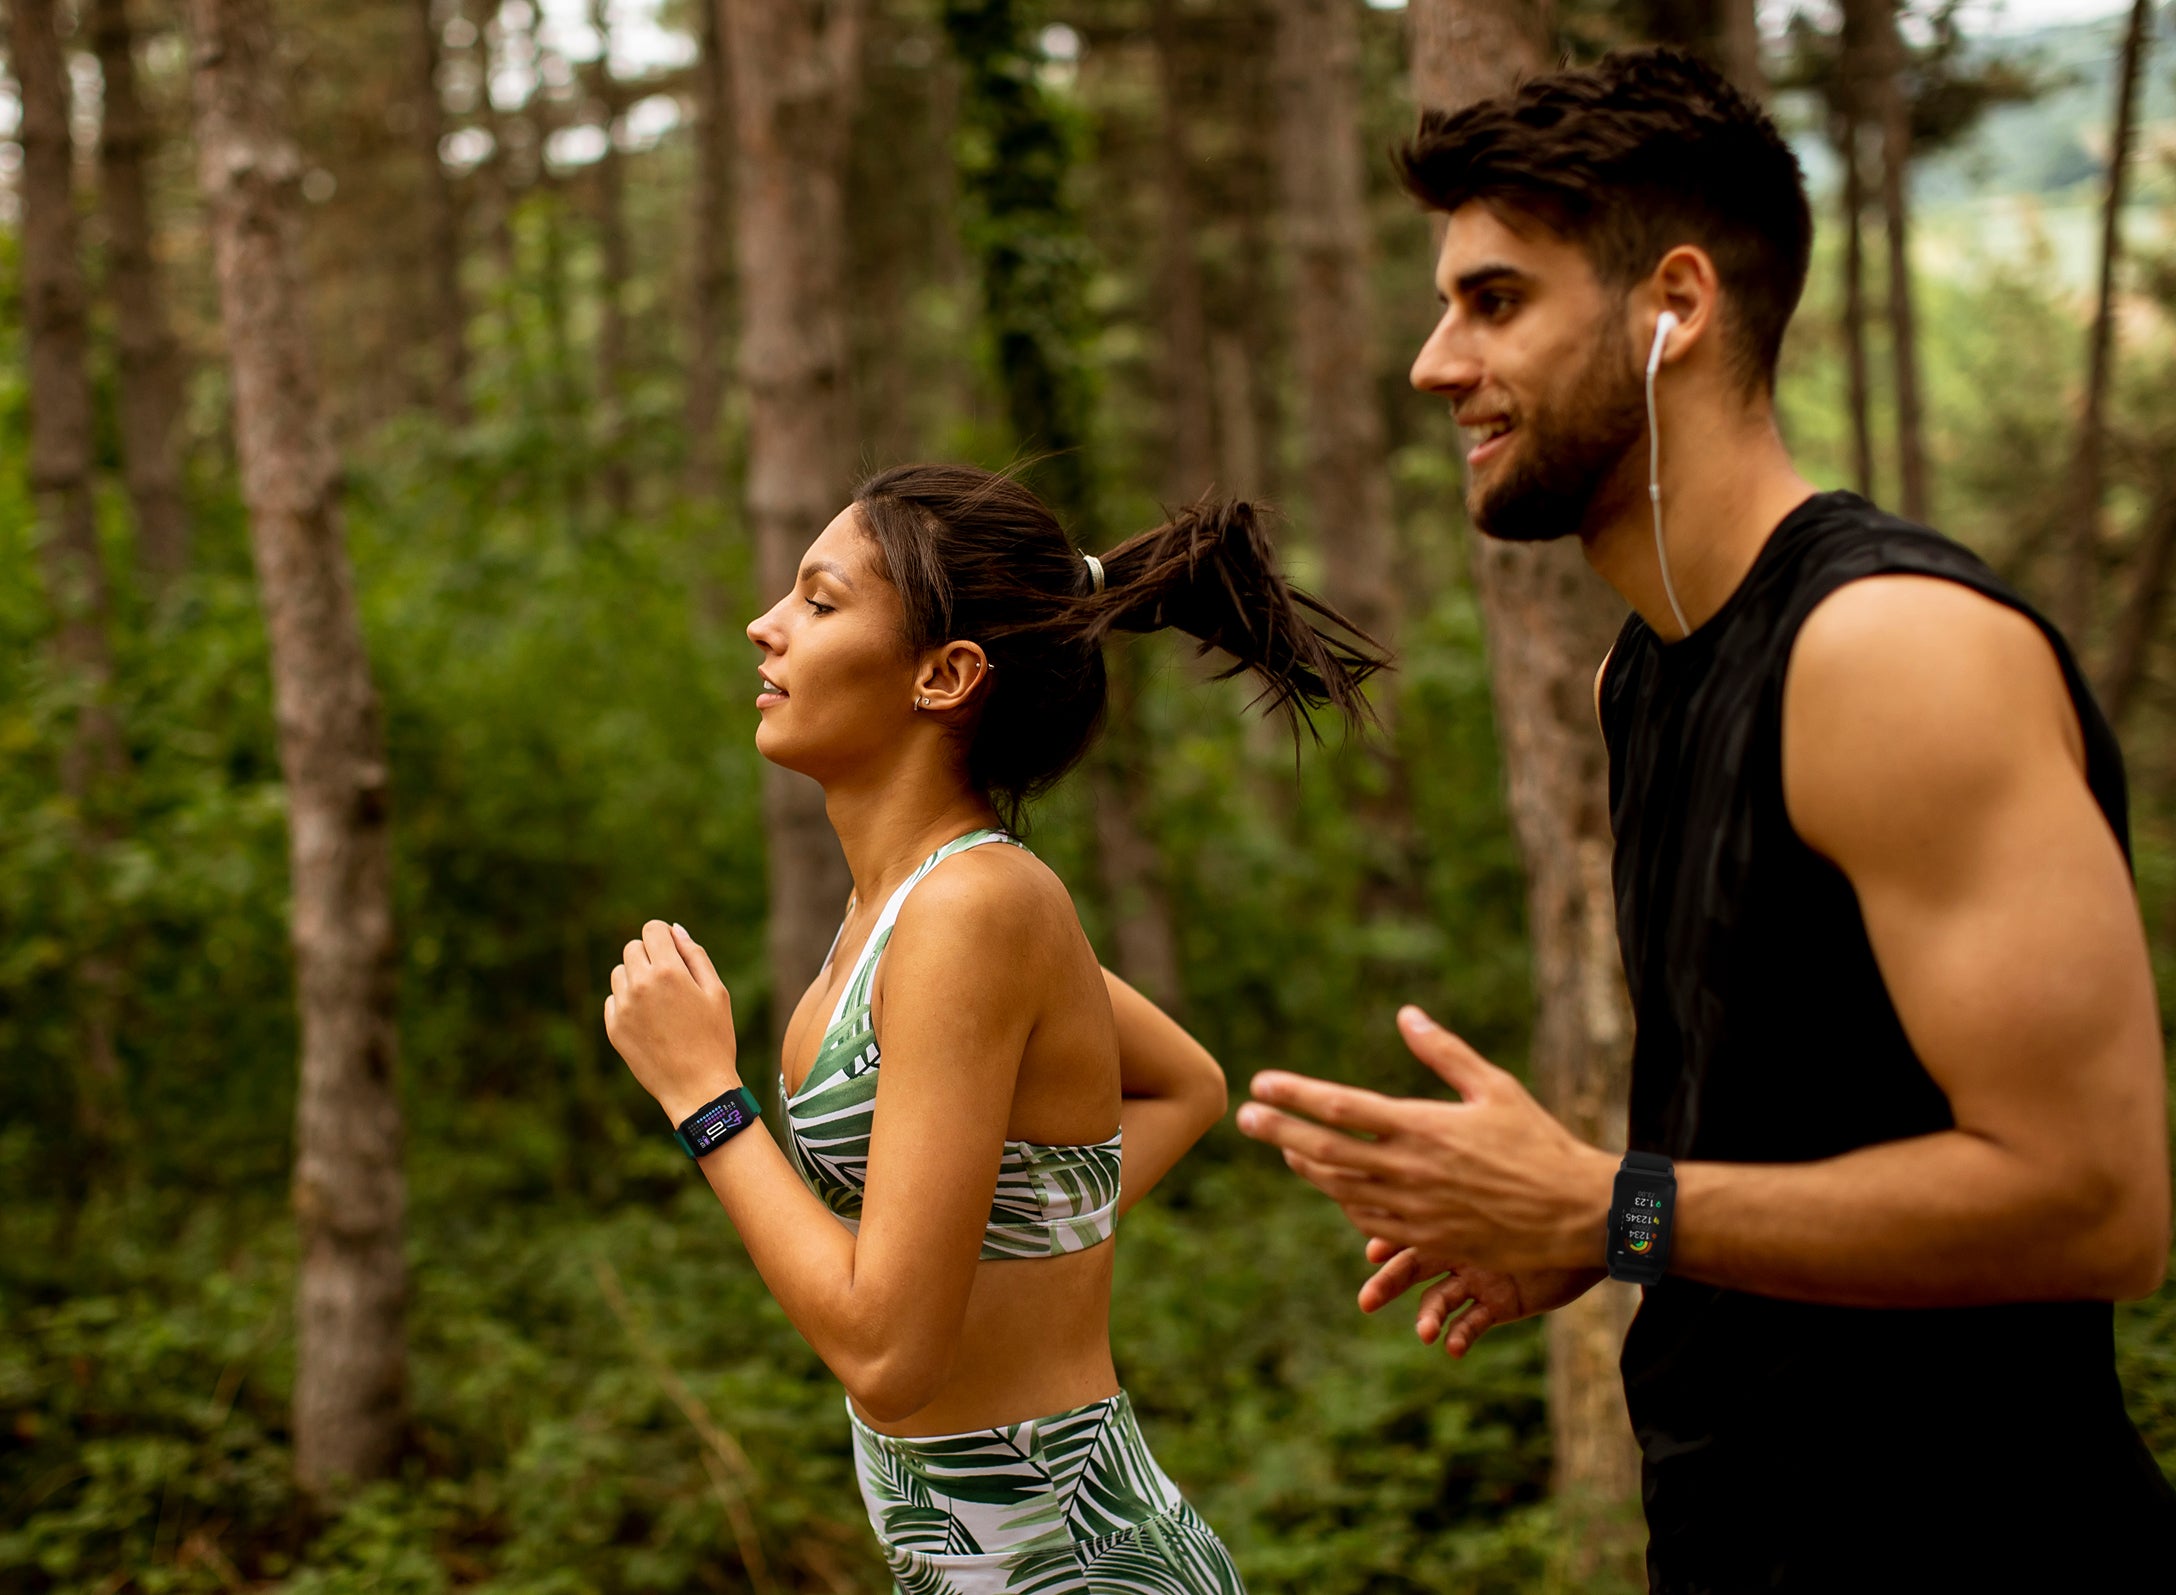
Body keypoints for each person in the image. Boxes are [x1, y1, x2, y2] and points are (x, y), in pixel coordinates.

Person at [1235, 49, 2176, 1590]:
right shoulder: (1646, 674)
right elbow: (1797, 1140)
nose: (1433, 362)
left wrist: (1612, 1202)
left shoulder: (1892, 649)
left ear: (1674, 302)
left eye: (1493, 300)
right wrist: (1590, 1221)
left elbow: (2096, 1205)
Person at [603, 463, 1380, 1595]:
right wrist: (1019, 1250)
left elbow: (887, 1353)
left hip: (1071, 1562)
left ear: (945, 674)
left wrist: (701, 1096)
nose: (764, 626)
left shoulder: (976, 907)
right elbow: (1183, 1086)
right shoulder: (899, 908)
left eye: (819, 602)